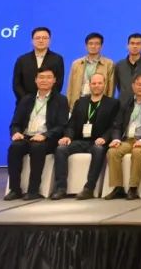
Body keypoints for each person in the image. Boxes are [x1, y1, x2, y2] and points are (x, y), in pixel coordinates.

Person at [50, 72, 118, 200]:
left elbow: (113, 126)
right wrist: (68, 137)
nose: (96, 86)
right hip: (80, 140)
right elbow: (71, 124)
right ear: (89, 85)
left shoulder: (112, 103)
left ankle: (89, 189)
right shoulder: (80, 102)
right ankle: (60, 188)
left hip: (98, 142)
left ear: (104, 84)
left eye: (99, 83)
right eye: (94, 83)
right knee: (61, 149)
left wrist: (104, 138)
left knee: (98, 150)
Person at [5, 68, 69, 200]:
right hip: (26, 136)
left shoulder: (61, 100)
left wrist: (45, 135)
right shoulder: (26, 99)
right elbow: (15, 123)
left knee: (37, 147)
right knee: (15, 147)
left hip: (48, 138)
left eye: (48, 77)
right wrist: (16, 133)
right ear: (35, 80)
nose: (44, 80)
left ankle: (33, 190)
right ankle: (15, 189)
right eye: (41, 77)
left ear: (54, 80)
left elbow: (62, 125)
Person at [104, 74, 141, 200]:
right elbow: (117, 124)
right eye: (139, 84)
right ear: (133, 86)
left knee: (137, 152)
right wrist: (116, 139)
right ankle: (118, 188)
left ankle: (133, 188)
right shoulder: (126, 102)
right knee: (112, 151)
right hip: (127, 140)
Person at [12, 26, 65, 103]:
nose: (41, 40)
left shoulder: (57, 59)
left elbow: (58, 83)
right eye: (37, 38)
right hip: (24, 103)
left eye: (44, 38)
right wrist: (27, 100)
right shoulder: (22, 59)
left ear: (49, 40)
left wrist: (46, 99)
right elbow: (17, 84)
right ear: (32, 41)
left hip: (49, 103)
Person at [65, 33, 116, 110]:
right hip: (79, 102)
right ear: (86, 46)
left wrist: (108, 107)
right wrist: (68, 106)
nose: (93, 46)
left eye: (97, 44)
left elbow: (111, 88)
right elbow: (70, 87)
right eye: (90, 43)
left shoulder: (109, 64)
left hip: (99, 104)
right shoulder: (76, 64)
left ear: (101, 46)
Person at [112, 33, 141, 105]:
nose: (135, 46)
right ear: (127, 45)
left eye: (138, 44)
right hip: (123, 105)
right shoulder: (119, 65)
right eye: (132, 43)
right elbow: (119, 86)